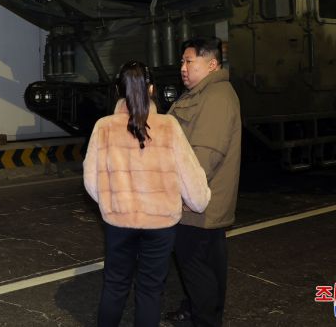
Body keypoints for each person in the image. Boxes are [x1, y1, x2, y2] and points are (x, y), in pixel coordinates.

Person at [83, 60, 211, 327]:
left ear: (119, 90)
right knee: (150, 289)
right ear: (151, 89)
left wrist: (112, 204)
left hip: (119, 223)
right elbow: (190, 176)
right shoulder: (168, 126)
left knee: (115, 284)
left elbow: (91, 180)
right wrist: (198, 202)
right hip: (160, 224)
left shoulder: (103, 127)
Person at [165, 37, 241, 327]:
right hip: (197, 202)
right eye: (182, 62)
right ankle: (195, 310)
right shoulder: (199, 93)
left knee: (197, 267)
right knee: (206, 265)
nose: (182, 68)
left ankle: (206, 320)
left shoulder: (217, 97)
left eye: (189, 61)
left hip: (198, 204)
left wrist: (182, 194)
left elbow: (205, 156)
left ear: (211, 64)